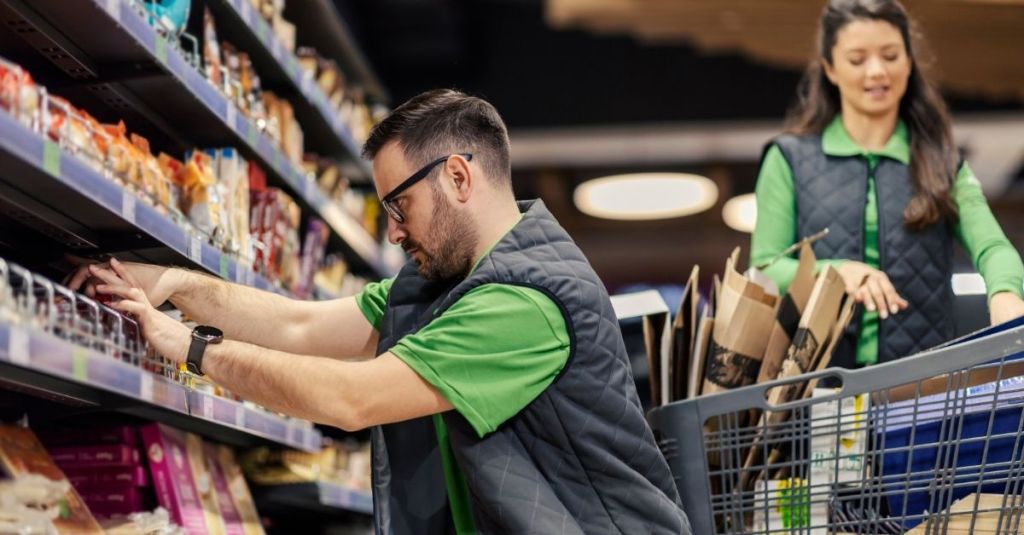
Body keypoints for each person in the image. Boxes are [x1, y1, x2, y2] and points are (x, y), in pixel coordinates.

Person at [69, 90, 691, 535]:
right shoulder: (441, 285)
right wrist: (175, 282)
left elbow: (352, 399)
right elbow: (299, 326)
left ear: (457, 176)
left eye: (400, 206)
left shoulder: (525, 303)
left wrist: (192, 348)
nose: (392, 233)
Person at [751, 0, 1024, 368]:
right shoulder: (789, 160)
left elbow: (992, 247)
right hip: (817, 392)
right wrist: (836, 272)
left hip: (920, 391)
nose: (877, 71)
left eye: (891, 55)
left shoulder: (941, 162)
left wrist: (1006, 293)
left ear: (909, 62)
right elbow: (765, 269)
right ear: (830, 68)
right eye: (857, 59)